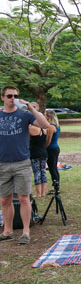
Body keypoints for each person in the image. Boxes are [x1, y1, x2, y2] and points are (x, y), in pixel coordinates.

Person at [0, 86, 50, 244]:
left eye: (15, 96)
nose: (12, 98)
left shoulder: (24, 114)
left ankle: (26, 232)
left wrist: (31, 108)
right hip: (3, 163)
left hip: (22, 163)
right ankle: (7, 231)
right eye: (9, 96)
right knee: (4, 200)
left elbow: (45, 125)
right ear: (2, 98)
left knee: (24, 198)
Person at [29, 121, 48, 198]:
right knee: (43, 172)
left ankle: (38, 193)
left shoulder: (31, 128)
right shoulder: (45, 129)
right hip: (44, 152)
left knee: (37, 172)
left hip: (35, 153)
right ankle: (43, 193)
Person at [44, 109, 61, 189]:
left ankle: (56, 187)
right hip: (55, 148)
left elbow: (48, 140)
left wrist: (44, 148)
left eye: (45, 115)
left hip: (51, 149)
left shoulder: (51, 127)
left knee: (52, 169)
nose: (44, 116)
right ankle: (56, 186)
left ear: (48, 117)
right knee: (53, 168)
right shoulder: (57, 126)